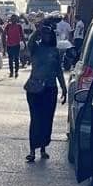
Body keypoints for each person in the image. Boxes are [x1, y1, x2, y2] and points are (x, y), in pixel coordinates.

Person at [23, 19, 67, 162]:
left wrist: (64, 89)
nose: (46, 36)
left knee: (47, 119)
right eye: (44, 34)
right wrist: (38, 30)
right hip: (34, 89)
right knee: (35, 119)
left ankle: (43, 148)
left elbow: (58, 71)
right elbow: (30, 42)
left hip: (50, 89)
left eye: (49, 34)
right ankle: (32, 150)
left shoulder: (55, 51)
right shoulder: (35, 48)